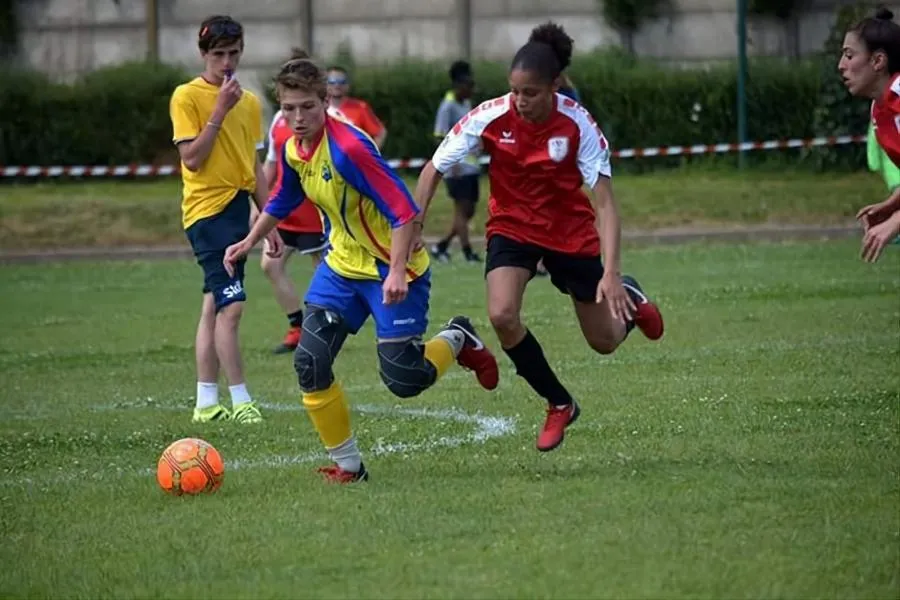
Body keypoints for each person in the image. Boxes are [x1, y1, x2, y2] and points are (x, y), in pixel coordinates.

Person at [223, 57, 500, 483]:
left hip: (392, 268)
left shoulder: (350, 149)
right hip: (341, 268)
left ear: (325, 101)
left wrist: (395, 271)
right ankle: (350, 467)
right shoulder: (292, 145)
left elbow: (405, 213)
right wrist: (250, 238)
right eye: (290, 108)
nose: (299, 118)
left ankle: (458, 338)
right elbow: (283, 195)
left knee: (405, 379)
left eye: (308, 107)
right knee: (310, 362)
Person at [412, 22, 665, 453]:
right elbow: (434, 167)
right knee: (501, 315)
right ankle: (558, 402)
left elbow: (604, 203)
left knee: (603, 342)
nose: (520, 101)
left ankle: (630, 302)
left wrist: (612, 272)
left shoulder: (578, 124)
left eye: (530, 92)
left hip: (569, 233)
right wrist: (415, 227)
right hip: (512, 227)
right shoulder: (491, 115)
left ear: (554, 88)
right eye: (514, 91)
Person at [169, 14, 282, 424]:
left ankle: (205, 402)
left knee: (214, 305)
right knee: (232, 308)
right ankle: (241, 400)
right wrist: (218, 109)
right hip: (207, 213)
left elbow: (251, 164)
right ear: (204, 54)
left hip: (238, 209)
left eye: (234, 53)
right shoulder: (186, 96)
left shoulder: (249, 102)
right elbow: (193, 159)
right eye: (218, 54)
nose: (227, 62)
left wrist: (270, 221)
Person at [262, 47, 330, 354]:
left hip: (316, 210)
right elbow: (272, 162)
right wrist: (260, 204)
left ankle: (325, 326)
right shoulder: (280, 118)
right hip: (284, 209)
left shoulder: (327, 119)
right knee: (269, 264)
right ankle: (297, 325)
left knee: (324, 272)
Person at [839, 7, 900, 263]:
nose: (841, 66)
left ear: (878, 61)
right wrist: (893, 204)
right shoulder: (880, 108)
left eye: (849, 55)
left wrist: (895, 222)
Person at [429, 60, 482, 264]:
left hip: (471, 166)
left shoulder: (466, 103)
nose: (472, 90)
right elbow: (439, 135)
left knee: (468, 211)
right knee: (461, 209)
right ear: (460, 85)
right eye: (469, 86)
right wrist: (452, 163)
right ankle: (468, 252)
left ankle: (441, 246)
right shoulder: (448, 105)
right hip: (457, 169)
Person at [325, 66, 387, 148]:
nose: (337, 85)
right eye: (332, 81)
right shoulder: (317, 108)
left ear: (348, 85)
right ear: (324, 84)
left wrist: (370, 156)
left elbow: (380, 133)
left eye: (342, 82)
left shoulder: (360, 107)